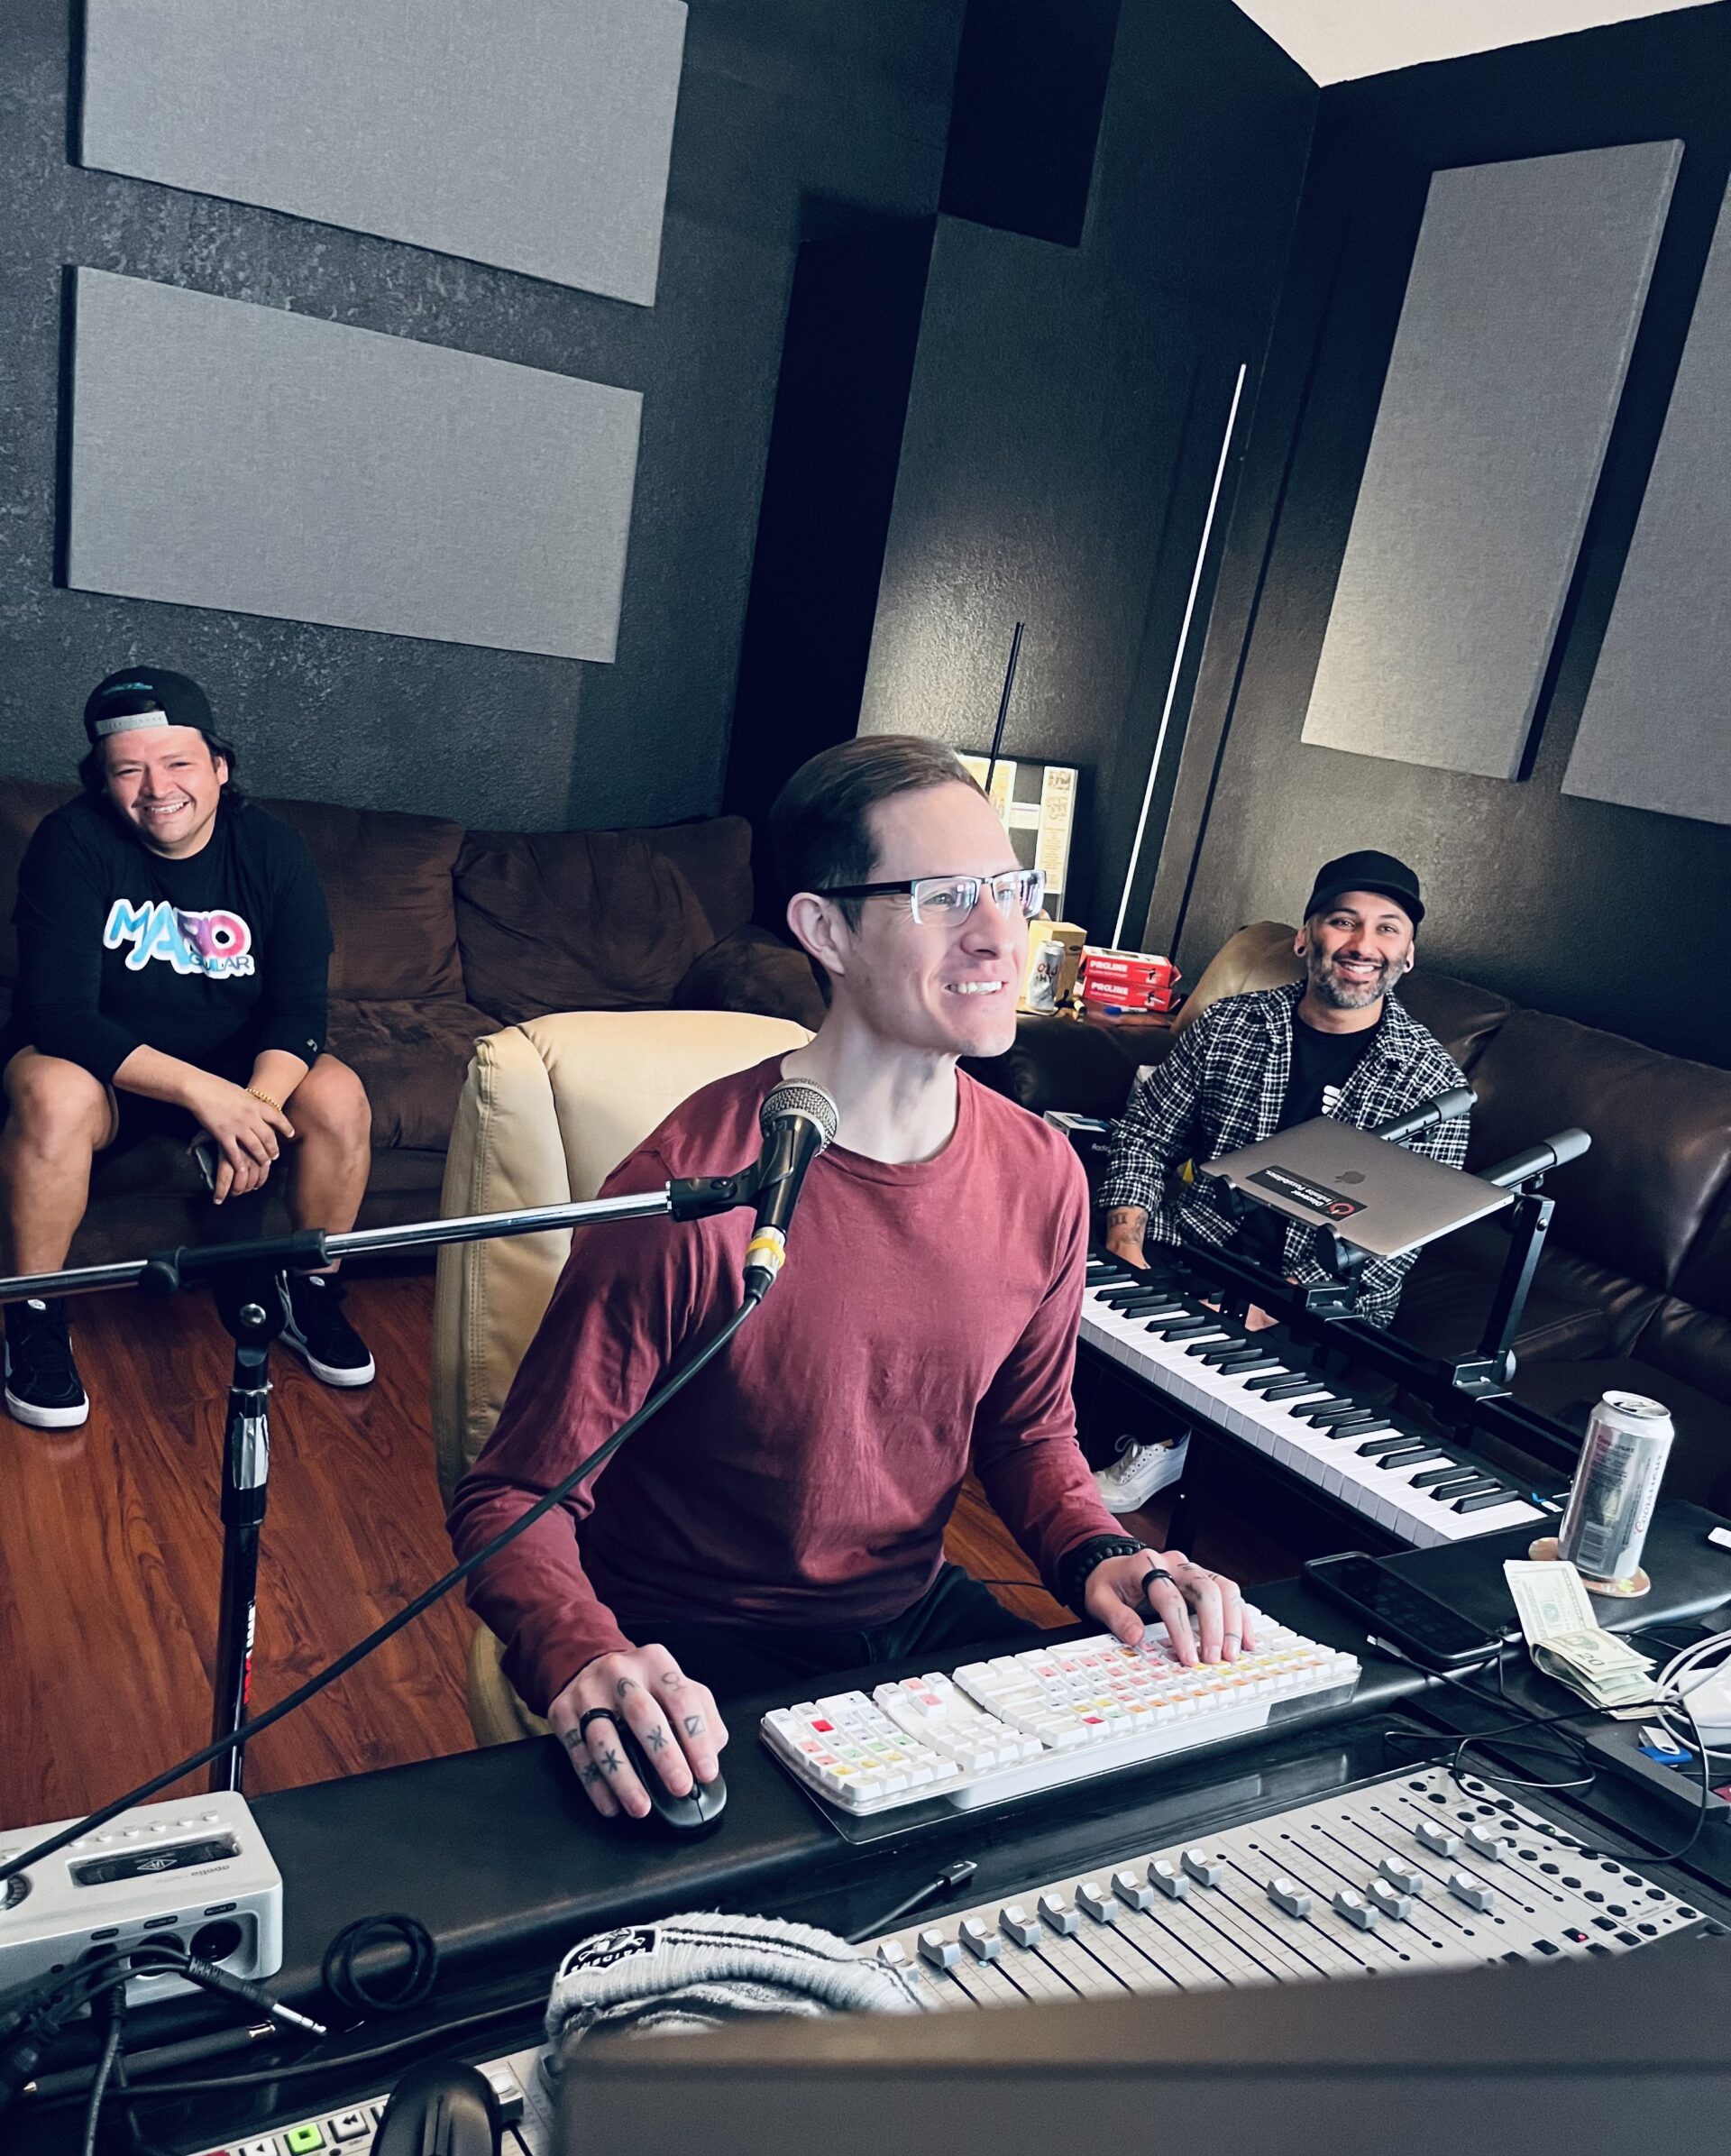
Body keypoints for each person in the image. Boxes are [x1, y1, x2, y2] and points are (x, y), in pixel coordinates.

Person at [448, 735, 1250, 1821]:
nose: (999, 934)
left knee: (1156, 1799)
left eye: (1011, 889)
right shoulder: (695, 1187)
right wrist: (581, 1652)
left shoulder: (1044, 1173)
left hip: (909, 1616)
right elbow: (513, 1497)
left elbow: (1027, 1433)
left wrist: (1101, 1550)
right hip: (700, 1644)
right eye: (945, 896)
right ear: (825, 927)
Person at [0, 666, 375, 1428]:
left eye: (177, 763)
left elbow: (300, 1008)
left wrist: (258, 1106)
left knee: (338, 1094)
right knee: (52, 1094)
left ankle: (308, 1288)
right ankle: (31, 1316)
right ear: (103, 782)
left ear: (219, 768)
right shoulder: (70, 842)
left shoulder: (271, 849)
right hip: (102, 1067)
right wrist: (206, 1095)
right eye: (128, 769)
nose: (155, 786)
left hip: (234, 1064)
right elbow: (58, 1014)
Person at [1091, 849, 1469, 1512]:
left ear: (1408, 956)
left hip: (1317, 1294)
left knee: (1191, 1350)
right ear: (1305, 937)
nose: (1363, 945)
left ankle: (1158, 1439)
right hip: (1194, 1242)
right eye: (1344, 922)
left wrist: (1262, 1308)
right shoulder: (1232, 1024)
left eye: (1387, 929)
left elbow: (1392, 1251)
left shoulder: (1434, 1086)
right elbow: (1146, 1135)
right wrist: (1127, 1239)